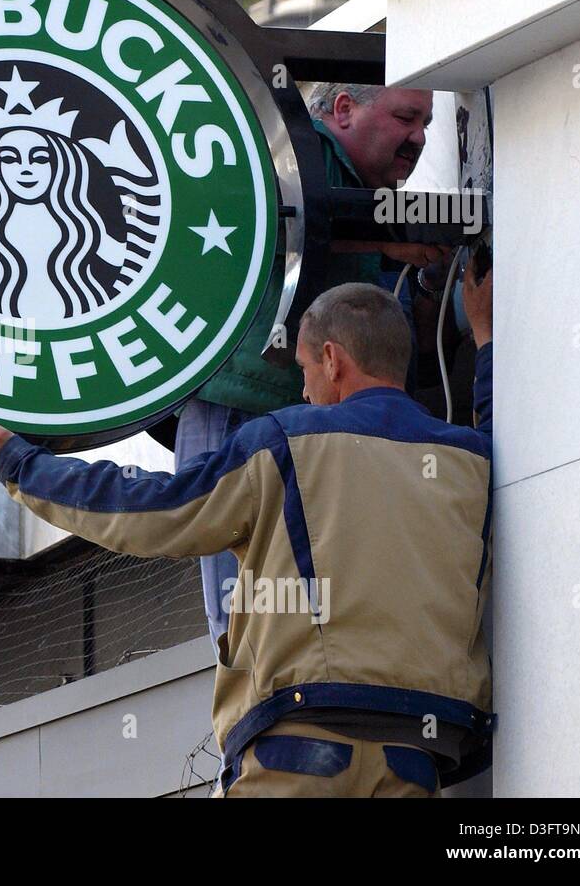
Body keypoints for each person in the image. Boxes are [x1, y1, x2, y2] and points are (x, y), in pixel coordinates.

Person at [0, 267, 494, 797]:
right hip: (419, 755)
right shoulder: (471, 459)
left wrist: (19, 465)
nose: (302, 391)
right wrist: (488, 339)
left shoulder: (285, 442)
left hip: (300, 746)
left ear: (332, 359)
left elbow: (156, 510)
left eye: (301, 370)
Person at [176, 83, 449, 661]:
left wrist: (425, 274)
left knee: (298, 582)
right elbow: (247, 217)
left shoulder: (373, 196)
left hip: (313, 422)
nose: (419, 137)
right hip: (245, 398)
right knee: (238, 584)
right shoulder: (292, 149)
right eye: (405, 117)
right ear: (344, 110)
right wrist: (379, 236)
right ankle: (252, 708)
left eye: (426, 122)